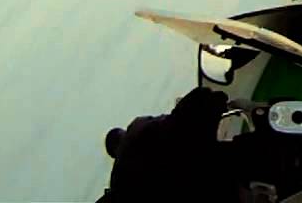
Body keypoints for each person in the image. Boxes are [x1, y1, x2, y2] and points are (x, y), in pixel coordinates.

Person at [97, 86, 237, 203]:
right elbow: (173, 123)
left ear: (115, 156)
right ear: (122, 133)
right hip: (207, 167)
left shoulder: (120, 181)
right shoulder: (138, 129)